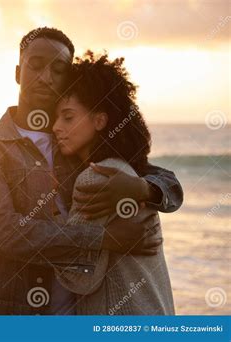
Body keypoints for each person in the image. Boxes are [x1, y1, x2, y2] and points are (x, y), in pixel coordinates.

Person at [0, 27, 183, 315]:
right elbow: (4, 233)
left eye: (59, 69)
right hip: (10, 309)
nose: (46, 77)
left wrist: (140, 188)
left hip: (76, 307)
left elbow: (165, 180)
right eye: (36, 65)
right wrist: (104, 237)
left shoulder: (74, 139)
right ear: (18, 73)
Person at [52, 51, 175, 314]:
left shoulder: (96, 177)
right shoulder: (128, 171)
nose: (55, 126)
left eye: (68, 117)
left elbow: (79, 277)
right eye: (55, 117)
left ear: (99, 120)